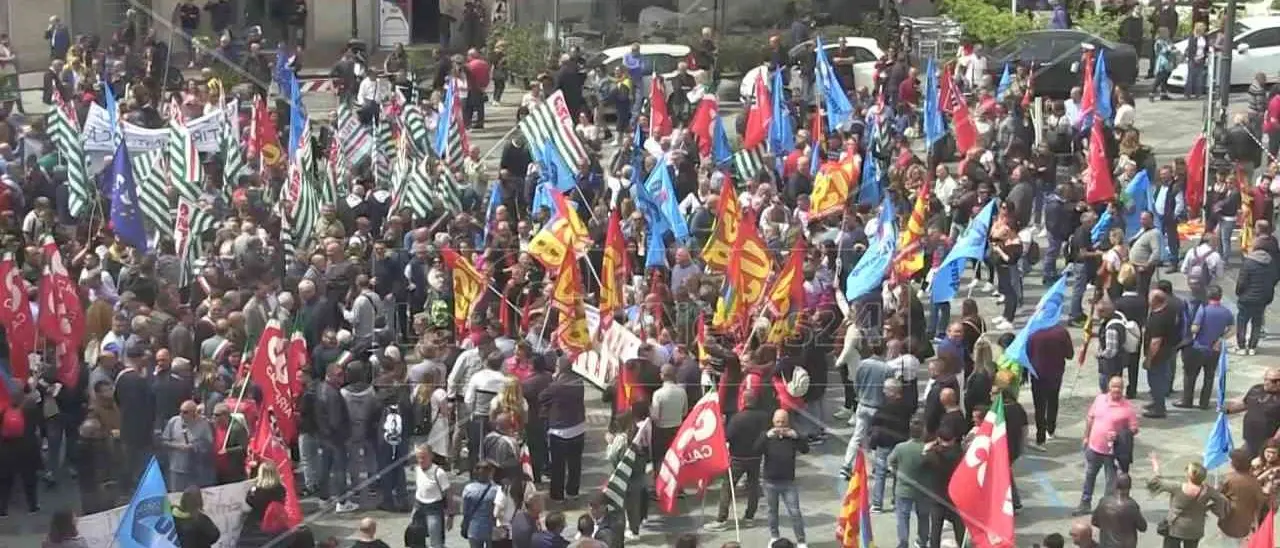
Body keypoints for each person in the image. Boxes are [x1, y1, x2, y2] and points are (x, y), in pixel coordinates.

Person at [1075, 376, 1139, 517]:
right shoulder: (1099, 399)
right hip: (1094, 447)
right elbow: (1090, 418)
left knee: (1111, 483)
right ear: (1109, 387)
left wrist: (1119, 434)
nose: (1116, 390)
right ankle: (1085, 503)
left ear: (1122, 389)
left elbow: (1134, 429)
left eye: (1119, 387)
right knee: (1089, 477)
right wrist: (1086, 436)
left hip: (1112, 453)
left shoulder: (1127, 408)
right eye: (1113, 386)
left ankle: (1106, 510)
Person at [706, 390, 768, 532]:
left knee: (727, 487)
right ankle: (749, 517)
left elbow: (728, 437)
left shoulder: (737, 418)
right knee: (753, 486)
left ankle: (722, 519)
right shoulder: (764, 416)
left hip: (737, 458)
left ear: (743, 400)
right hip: (756, 457)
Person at [1147, 459, 1228, 548]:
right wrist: (1211, 508)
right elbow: (1221, 499)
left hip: (1175, 528)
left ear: (1190, 475)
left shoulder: (1177, 487)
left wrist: (1156, 467)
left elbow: (1155, 482)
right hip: (1195, 530)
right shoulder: (1207, 491)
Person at [756, 409, 808, 545]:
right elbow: (756, 449)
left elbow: (805, 449)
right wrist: (767, 436)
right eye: (778, 422)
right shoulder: (766, 436)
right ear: (773, 422)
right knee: (772, 511)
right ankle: (774, 536)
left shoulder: (792, 437)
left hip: (788, 482)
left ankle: (801, 541)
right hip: (769, 482)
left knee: (795, 512)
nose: (780, 425)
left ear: (788, 422)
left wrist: (796, 436)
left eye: (783, 422)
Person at [1179, 284, 1233, 409]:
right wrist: (1220, 339)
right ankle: (1204, 403)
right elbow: (1232, 329)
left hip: (1198, 348)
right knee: (1209, 377)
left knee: (1190, 375)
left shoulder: (1203, 310)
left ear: (1208, 296)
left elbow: (1195, 328)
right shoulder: (1226, 312)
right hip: (1214, 350)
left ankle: (1187, 401)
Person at [1028, 323, 1073, 448]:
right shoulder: (1061, 332)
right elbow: (1070, 354)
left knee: (1039, 405)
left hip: (1037, 373)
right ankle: (1051, 428)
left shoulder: (1033, 331)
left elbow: (1026, 352)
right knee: (1053, 399)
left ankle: (1040, 436)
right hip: (1055, 373)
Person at [887, 417, 931, 548]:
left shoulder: (900, 448)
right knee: (923, 516)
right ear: (923, 431)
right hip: (923, 489)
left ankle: (903, 542)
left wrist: (897, 472)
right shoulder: (927, 449)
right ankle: (922, 541)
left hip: (903, 489)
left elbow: (890, 463)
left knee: (902, 517)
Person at [160, 400, 215, 491]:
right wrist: (178, 446)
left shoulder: (203, 423)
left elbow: (209, 444)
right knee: (176, 495)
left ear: (194, 413)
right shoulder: (174, 421)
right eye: (180, 411)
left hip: (196, 469)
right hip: (177, 468)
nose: (181, 414)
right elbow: (164, 442)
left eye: (185, 412)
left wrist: (195, 446)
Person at [1226, 367, 1280, 456]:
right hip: (1250, 438)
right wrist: (1227, 410)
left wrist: (1274, 442)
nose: (1266, 382)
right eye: (1265, 379)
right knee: (1241, 460)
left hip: (1268, 443)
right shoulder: (1256, 389)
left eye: (1270, 380)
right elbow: (1245, 404)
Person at [1217, 448, 1266, 541]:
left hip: (1227, 523)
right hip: (1245, 525)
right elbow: (1260, 502)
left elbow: (1218, 497)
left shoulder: (1228, 479)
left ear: (1234, 463)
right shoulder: (1254, 481)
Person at [1235, 245, 1276, 355]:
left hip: (1246, 299)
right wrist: (1268, 298)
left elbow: (1241, 282)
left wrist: (1239, 293)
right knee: (1257, 323)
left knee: (1242, 322)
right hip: (1261, 299)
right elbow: (1271, 283)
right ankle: (1253, 346)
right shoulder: (1271, 265)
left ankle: (1242, 346)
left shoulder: (1248, 263)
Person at [411, 443, 453, 548]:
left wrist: (450, 515)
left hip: (434, 508)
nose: (420, 460)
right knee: (416, 537)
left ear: (431, 456)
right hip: (419, 505)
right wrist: (414, 510)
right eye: (418, 458)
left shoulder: (439, 473)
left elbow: (448, 494)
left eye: (423, 457)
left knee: (435, 540)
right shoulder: (417, 469)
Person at [1089, 473, 1145, 548]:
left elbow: (1094, 521)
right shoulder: (1131, 506)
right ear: (1130, 487)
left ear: (1115, 485)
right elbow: (1143, 527)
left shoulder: (1103, 502)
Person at [460, 461, 501, 546]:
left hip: (474, 527)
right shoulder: (496, 490)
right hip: (491, 528)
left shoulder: (468, 489)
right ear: (490, 473)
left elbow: (464, 510)